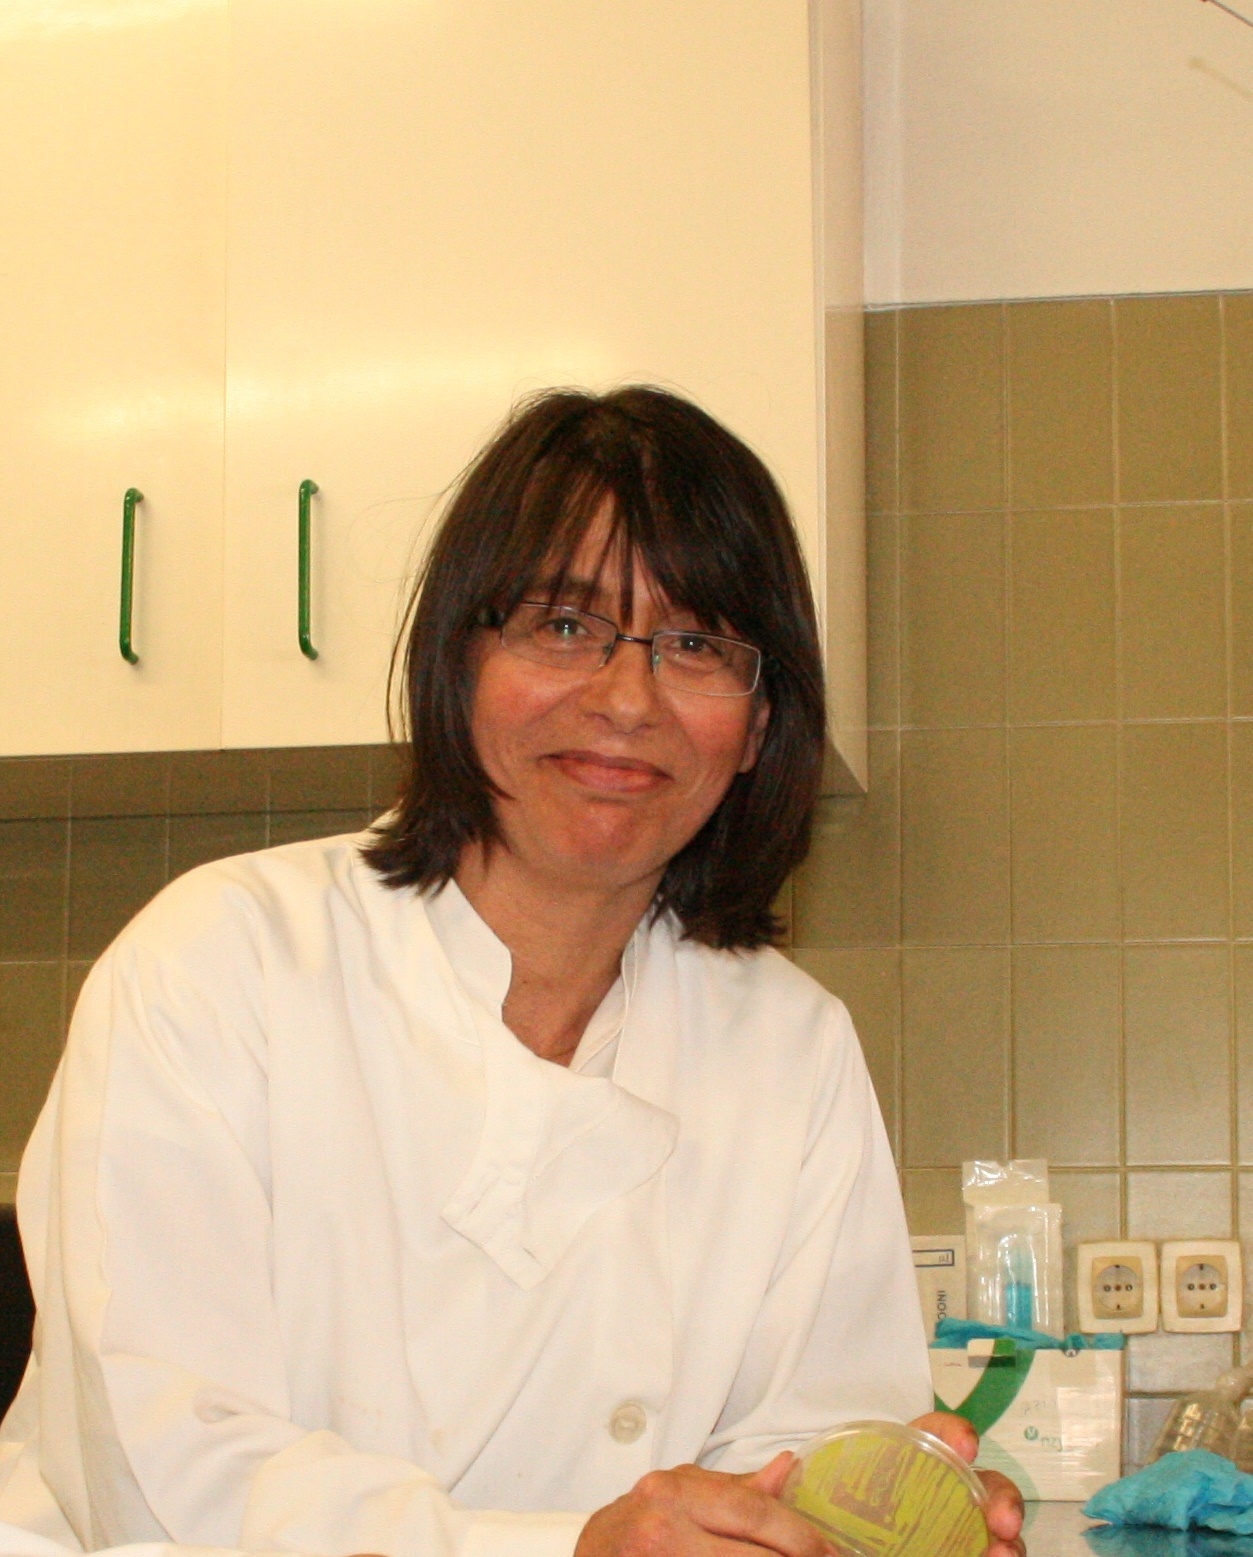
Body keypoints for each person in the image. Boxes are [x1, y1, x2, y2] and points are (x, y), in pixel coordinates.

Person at [0, 388, 1025, 1557]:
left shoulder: (788, 1044)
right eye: (564, 624)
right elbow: (161, 1472)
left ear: (755, 725)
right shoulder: (219, 964)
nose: (626, 699)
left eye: (696, 645)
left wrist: (874, 1514)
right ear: (459, 659)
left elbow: (801, 1438)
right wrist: (572, 1550)